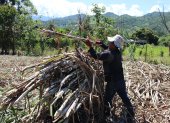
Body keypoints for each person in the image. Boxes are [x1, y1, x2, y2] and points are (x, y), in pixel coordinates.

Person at [85, 34, 135, 123]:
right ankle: (131, 112)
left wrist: (90, 46)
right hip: (120, 79)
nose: (109, 43)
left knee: (107, 99)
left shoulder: (108, 54)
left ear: (114, 44)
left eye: (111, 42)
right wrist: (102, 44)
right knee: (124, 96)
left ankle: (106, 116)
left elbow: (96, 56)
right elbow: (108, 50)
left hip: (112, 82)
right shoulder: (117, 51)